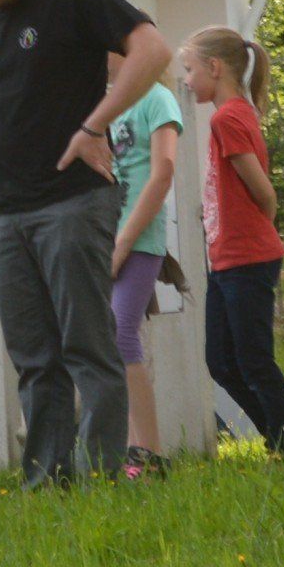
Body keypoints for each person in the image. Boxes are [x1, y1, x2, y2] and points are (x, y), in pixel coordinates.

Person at [0, 0, 174, 486]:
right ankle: (48, 480)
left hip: (74, 200)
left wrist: (95, 125)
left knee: (87, 346)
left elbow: (152, 49)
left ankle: (97, 475)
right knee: (33, 356)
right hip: (6, 213)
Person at [183, 27, 284, 464]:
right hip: (225, 261)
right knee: (221, 361)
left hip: (246, 259)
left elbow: (264, 192)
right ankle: (278, 440)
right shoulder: (234, 115)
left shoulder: (227, 118)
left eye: (190, 69)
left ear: (214, 68)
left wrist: (256, 232)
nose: (187, 79)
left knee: (254, 362)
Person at [107, 53, 186, 471]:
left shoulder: (158, 98)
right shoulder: (107, 104)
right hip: (102, 237)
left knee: (121, 335)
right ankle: (122, 452)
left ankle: (150, 455)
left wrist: (123, 241)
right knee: (104, 342)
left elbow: (163, 171)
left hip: (138, 239)